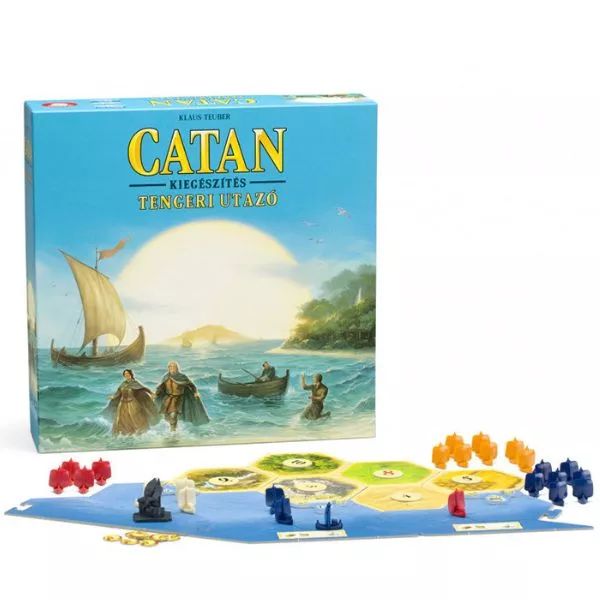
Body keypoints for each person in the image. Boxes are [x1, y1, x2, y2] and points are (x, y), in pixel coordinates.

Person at [155, 361, 210, 432]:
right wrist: (156, 394)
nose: (172, 368)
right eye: (170, 367)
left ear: (177, 368)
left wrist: (195, 392)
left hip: (178, 399)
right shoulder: (166, 377)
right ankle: (174, 429)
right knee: (168, 416)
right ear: (168, 368)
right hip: (168, 399)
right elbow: (161, 387)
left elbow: (191, 385)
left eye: (174, 367)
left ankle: (173, 431)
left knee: (173, 415)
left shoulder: (182, 377)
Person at [104, 369, 159, 436]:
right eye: (125, 374)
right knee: (121, 419)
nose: (126, 375)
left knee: (135, 417)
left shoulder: (134, 383)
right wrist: (113, 397)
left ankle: (140, 431)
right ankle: (124, 433)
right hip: (122, 404)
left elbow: (143, 388)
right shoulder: (123, 383)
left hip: (132, 403)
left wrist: (151, 393)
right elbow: (118, 392)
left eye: (127, 374)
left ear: (131, 374)